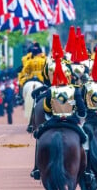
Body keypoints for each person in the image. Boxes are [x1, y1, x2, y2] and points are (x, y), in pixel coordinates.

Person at [30, 38, 88, 180]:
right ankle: (85, 167)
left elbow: (44, 78)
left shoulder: (48, 63)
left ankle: (37, 167)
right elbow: (73, 79)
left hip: (51, 89)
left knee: (36, 103)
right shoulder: (67, 65)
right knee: (84, 137)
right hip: (67, 91)